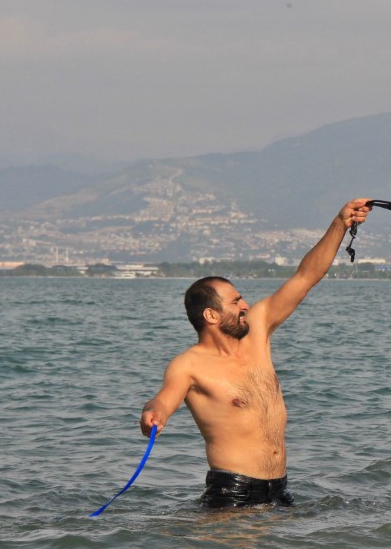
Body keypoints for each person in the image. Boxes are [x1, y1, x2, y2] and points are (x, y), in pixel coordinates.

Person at [139, 198, 372, 508]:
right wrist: (154, 413)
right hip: (233, 493)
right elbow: (165, 399)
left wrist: (340, 223)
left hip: (280, 490)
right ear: (211, 316)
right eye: (235, 302)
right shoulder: (189, 365)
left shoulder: (257, 330)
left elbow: (305, 277)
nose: (245, 305)